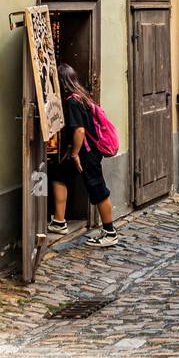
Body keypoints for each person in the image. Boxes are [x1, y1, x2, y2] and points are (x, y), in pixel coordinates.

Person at [47, 63, 117, 247]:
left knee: (98, 190)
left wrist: (75, 153)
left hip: (86, 153)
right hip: (88, 151)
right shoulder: (83, 96)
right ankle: (59, 221)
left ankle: (110, 232)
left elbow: (79, 131)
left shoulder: (72, 101)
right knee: (59, 174)